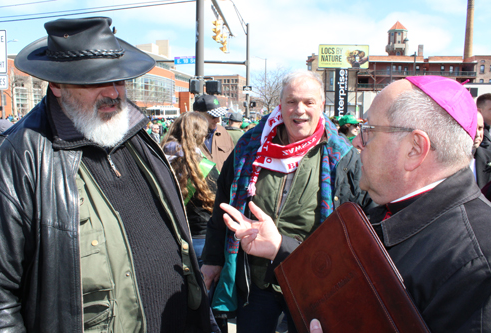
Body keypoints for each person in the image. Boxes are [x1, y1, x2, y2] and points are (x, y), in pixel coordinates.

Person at [0, 17, 217, 333]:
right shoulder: (20, 157)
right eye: (96, 81)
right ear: (57, 84)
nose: (113, 92)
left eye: (120, 80)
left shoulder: (138, 136)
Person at [221, 75, 491, 333]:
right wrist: (280, 247)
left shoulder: (477, 262)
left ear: (414, 148)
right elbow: (343, 278)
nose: (357, 142)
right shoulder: (385, 211)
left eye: (369, 130)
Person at [201, 71, 372, 333]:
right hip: (256, 280)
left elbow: (362, 221)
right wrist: (212, 258)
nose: (299, 110)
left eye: (308, 102)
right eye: (291, 101)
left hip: (313, 280)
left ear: (321, 106)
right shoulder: (250, 146)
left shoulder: (342, 157)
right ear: (280, 105)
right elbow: (222, 207)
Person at [162, 112, 219, 268]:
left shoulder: (157, 162)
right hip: (200, 240)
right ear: (200, 136)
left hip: (169, 239)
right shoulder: (206, 168)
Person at [193, 94, 234, 172]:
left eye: (219, 116)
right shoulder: (187, 135)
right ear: (197, 114)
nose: (218, 120)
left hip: (222, 183)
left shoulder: (223, 132)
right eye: (213, 116)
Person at [471, 111, 491, 188]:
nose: (477, 134)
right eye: (472, 128)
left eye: (480, 128)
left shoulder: (489, 157)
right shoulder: (445, 162)